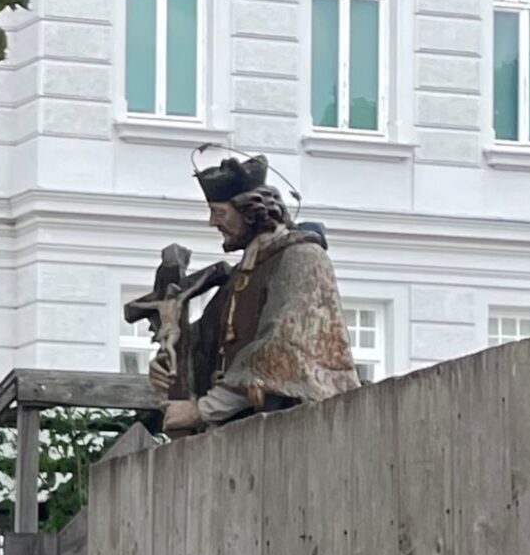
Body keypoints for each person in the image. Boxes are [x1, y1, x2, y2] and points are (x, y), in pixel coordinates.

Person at [125, 153, 361, 437]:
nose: (213, 222)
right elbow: (208, 343)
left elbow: (282, 351)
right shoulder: (242, 275)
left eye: (220, 213)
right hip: (244, 430)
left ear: (251, 212)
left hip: (297, 430)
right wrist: (170, 363)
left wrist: (204, 409)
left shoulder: (301, 258)